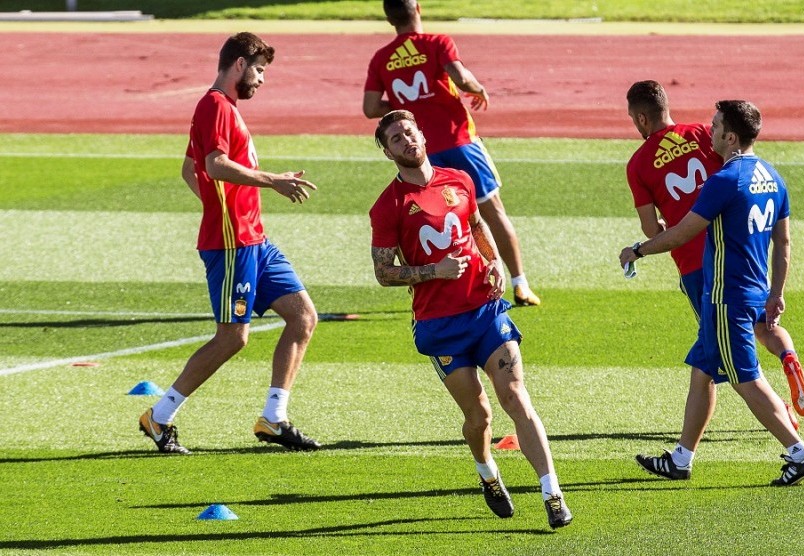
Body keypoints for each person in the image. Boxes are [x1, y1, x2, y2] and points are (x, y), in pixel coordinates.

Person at [369, 110, 572, 528]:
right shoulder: (388, 206)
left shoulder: (458, 179)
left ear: (422, 133)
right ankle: (487, 472)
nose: (406, 140)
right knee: (479, 416)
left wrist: (494, 261)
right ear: (388, 153)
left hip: (485, 312)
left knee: (515, 395)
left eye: (409, 131)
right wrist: (433, 272)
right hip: (440, 326)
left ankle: (552, 493)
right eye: (395, 139)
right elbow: (383, 272)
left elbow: (478, 225)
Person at [619, 100, 804, 486]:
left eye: (714, 128)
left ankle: (800, 453)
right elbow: (784, 243)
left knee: (745, 377)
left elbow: (683, 231)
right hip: (755, 287)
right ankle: (681, 458)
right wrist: (776, 293)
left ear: (730, 137)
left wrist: (639, 250)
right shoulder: (772, 176)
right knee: (702, 371)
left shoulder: (726, 180)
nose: (707, 133)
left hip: (724, 294)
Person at [138, 32, 321, 454]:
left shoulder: (222, 109)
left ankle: (274, 418)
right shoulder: (215, 106)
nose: (261, 79)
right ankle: (159, 416)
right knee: (232, 337)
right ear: (238, 64)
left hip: (254, 238)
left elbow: (189, 169)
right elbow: (213, 165)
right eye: (259, 70)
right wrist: (269, 183)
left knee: (302, 317)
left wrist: (225, 204)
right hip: (231, 243)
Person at [363, 0, 541, 307]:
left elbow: (370, 108)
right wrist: (478, 89)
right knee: (491, 212)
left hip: (420, 156)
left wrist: (406, 108)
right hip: (459, 142)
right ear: (417, 8)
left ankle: (423, 284)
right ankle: (519, 283)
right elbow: (459, 77)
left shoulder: (382, 58)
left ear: (389, 18)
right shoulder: (436, 42)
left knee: (425, 219)